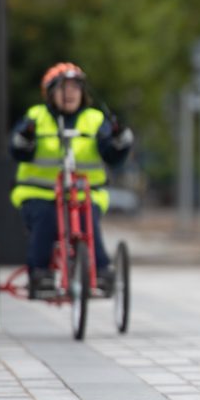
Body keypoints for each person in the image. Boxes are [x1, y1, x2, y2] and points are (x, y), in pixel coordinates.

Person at [9, 62, 133, 296]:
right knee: (46, 219)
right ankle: (40, 273)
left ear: (83, 93)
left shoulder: (95, 120)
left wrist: (121, 142)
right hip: (39, 192)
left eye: (75, 88)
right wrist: (25, 139)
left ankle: (101, 269)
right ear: (50, 94)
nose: (69, 94)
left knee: (88, 220)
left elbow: (112, 154)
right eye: (63, 89)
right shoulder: (36, 117)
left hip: (86, 194)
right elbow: (17, 149)